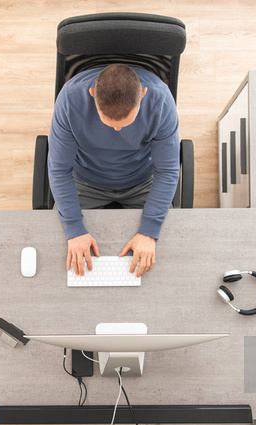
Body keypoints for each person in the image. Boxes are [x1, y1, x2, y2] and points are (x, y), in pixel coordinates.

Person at [48, 63, 180, 278]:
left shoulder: (161, 100)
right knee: (60, 256)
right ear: (92, 95)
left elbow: (167, 170)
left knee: (167, 260)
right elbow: (59, 169)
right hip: (86, 179)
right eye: (109, 123)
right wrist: (74, 229)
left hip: (142, 180)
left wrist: (149, 231)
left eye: (126, 123)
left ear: (143, 95)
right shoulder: (70, 99)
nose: (117, 130)